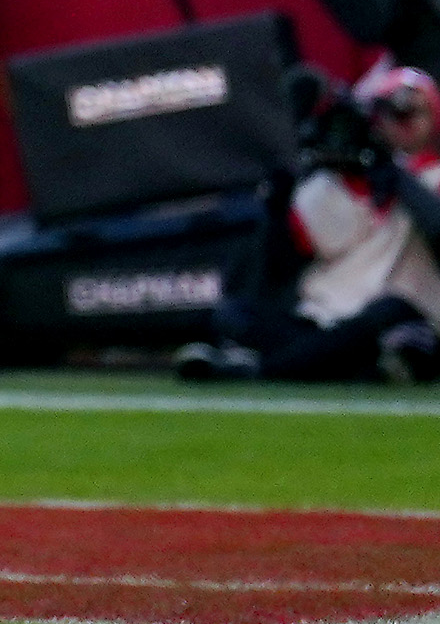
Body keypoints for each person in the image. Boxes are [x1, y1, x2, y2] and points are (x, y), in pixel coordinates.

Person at [180, 65, 440, 385]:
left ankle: (260, 370)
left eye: (410, 113)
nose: (399, 125)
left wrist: (398, 178)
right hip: (324, 321)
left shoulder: (428, 178)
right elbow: (278, 266)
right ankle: (339, 367)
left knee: (390, 314)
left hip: (402, 322)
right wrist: (277, 206)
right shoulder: (334, 185)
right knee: (234, 314)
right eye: (387, 113)